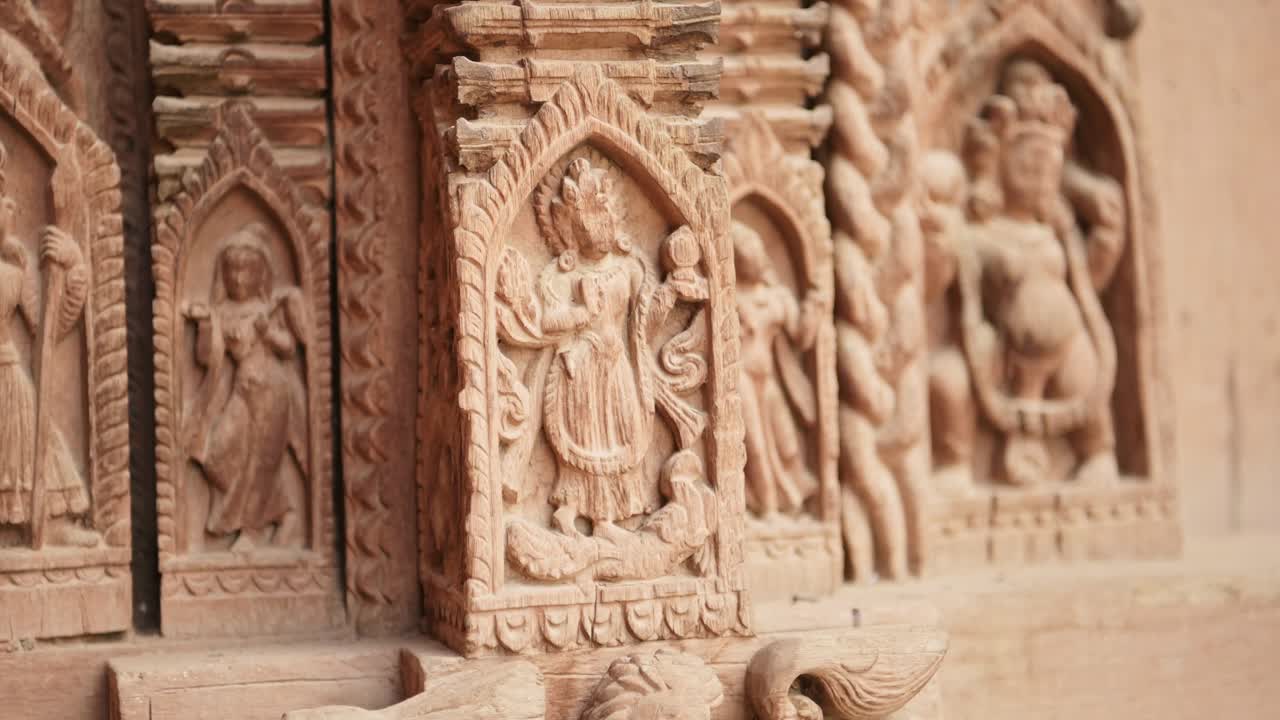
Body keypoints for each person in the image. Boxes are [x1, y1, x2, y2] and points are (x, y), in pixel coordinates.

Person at [182, 222, 309, 551]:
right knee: (218, 453)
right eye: (232, 271)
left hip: (273, 391)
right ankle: (284, 512)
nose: (238, 279)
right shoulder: (223, 311)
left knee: (260, 461)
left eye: (246, 271)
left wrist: (268, 332)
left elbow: (290, 348)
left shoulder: (267, 310)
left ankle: (251, 531)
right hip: (243, 390)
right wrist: (206, 324)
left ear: (261, 273)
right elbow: (206, 357)